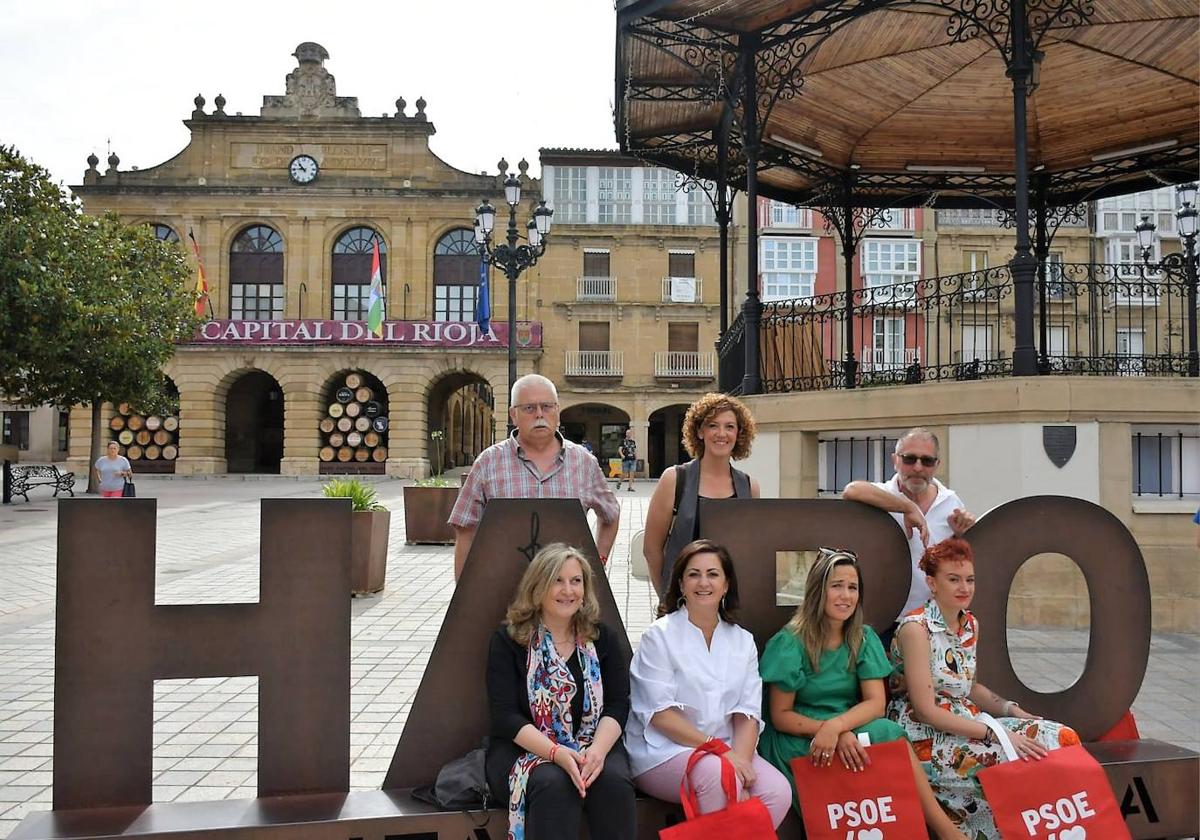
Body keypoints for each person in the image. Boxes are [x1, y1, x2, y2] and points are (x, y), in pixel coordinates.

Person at [758, 547, 967, 840]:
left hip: (846, 722)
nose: (846, 596)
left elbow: (875, 703)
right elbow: (781, 716)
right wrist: (830, 731)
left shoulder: (862, 637)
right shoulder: (790, 642)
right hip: (799, 732)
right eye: (837, 586)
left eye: (853, 587)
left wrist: (839, 727)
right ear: (819, 590)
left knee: (889, 733)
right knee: (832, 751)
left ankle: (944, 830)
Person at [888, 537, 1079, 839]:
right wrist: (1000, 735)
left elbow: (970, 687)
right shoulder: (916, 629)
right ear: (932, 583)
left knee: (1063, 738)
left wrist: (1015, 711)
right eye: (953, 579)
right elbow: (925, 711)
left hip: (970, 721)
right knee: (1013, 759)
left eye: (969, 579)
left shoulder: (970, 625)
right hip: (927, 735)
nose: (964, 587)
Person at [626, 539, 792, 829]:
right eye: (694, 574)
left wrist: (739, 760)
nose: (704, 582)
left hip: (727, 749)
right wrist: (722, 755)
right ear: (681, 583)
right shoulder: (659, 636)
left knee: (777, 792)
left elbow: (748, 712)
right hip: (664, 751)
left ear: (726, 585)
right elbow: (660, 715)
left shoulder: (742, 641)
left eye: (713, 574)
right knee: (719, 777)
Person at [485, 543, 636, 839]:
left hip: (592, 742)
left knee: (613, 781)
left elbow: (618, 704)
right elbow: (504, 716)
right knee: (555, 782)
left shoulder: (602, 638)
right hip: (525, 750)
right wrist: (555, 753)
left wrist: (596, 752)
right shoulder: (508, 640)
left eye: (576, 581)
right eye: (557, 580)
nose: (568, 590)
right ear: (538, 586)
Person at [448, 374, 620, 579]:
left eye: (547, 406)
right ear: (513, 415)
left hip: (565, 596)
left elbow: (611, 514)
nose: (539, 414)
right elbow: (465, 529)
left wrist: (596, 567)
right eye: (529, 408)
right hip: (504, 589)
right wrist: (465, 595)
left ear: (557, 410)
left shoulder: (584, 463)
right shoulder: (488, 463)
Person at [843, 428, 976, 647]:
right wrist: (906, 507)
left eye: (926, 461)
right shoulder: (883, 495)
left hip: (934, 620)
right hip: (885, 619)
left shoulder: (951, 503)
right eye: (909, 459)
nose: (917, 467)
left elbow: (959, 561)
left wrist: (962, 532)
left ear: (937, 465)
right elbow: (852, 490)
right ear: (895, 460)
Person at [642, 393, 760, 596]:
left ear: (739, 433)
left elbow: (750, 549)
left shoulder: (749, 487)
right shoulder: (674, 480)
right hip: (683, 600)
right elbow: (652, 549)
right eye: (713, 425)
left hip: (732, 602)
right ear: (699, 431)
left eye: (729, 426)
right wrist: (666, 596)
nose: (721, 433)